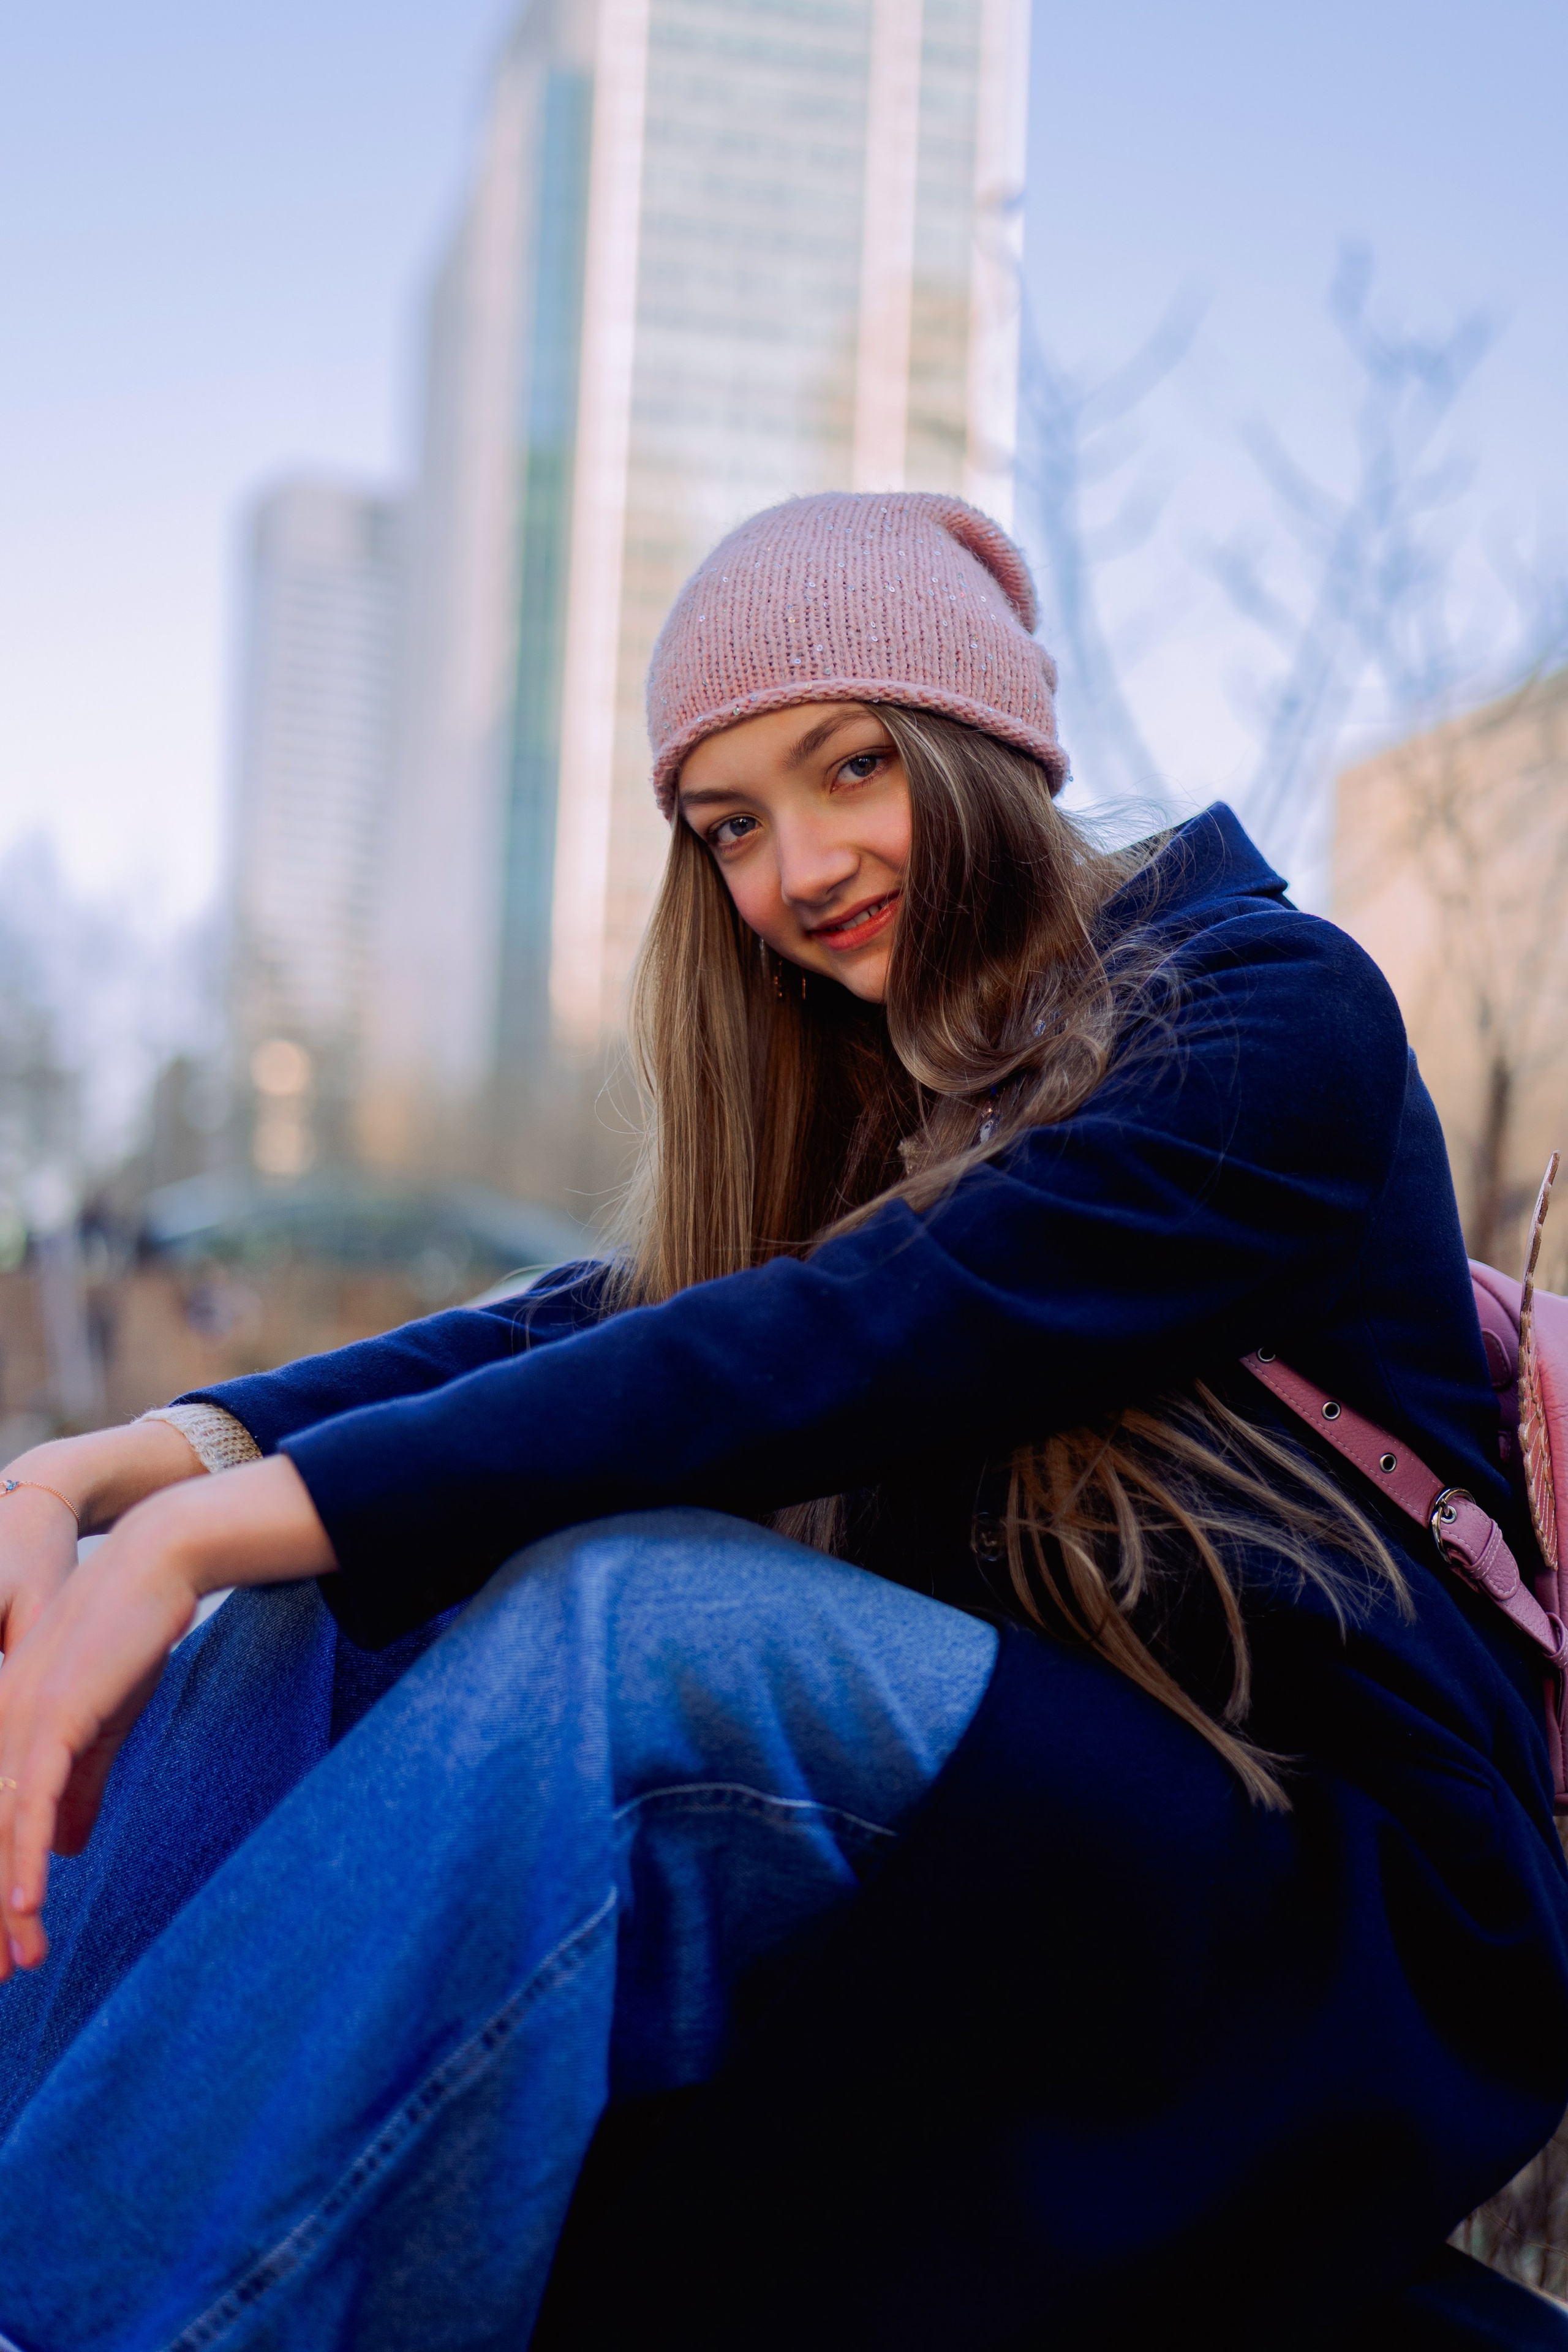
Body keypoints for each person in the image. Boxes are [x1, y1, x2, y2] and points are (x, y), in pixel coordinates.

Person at [0, 491, 1564, 2352]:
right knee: (301, 1595)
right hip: (1054, 1814)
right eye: (729, 825)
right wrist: (161, 1458)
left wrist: (237, 1510)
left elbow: (848, 1335)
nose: (799, 867)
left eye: (849, 768)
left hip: (1341, 1895)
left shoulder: (1270, 1019)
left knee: (629, 1614)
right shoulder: (888, 1115)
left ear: (984, 749)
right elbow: (608, 1327)